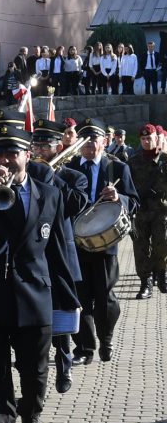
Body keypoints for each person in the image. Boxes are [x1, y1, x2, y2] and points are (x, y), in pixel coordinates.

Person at [0, 124, 78, 423]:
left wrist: (69, 296)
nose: (6, 160)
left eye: (13, 153)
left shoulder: (49, 192)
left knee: (35, 370)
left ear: (26, 156)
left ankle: (30, 414)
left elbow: (60, 246)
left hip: (35, 293)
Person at [63, 118, 139, 365]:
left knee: (104, 295)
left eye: (94, 139)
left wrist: (119, 198)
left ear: (103, 142)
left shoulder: (117, 169)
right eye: (84, 139)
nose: (89, 144)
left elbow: (134, 202)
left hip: (106, 244)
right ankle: (85, 347)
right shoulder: (69, 166)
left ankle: (106, 338)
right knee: (79, 297)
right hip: (74, 243)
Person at [28, 120, 89, 394]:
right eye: (35, 145)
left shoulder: (74, 176)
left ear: (57, 146)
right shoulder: (26, 172)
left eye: (43, 146)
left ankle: (64, 366)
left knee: (61, 314)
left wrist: (51, 178)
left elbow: (73, 206)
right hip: (33, 253)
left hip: (61, 255)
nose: (38, 150)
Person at [128, 125, 167, 298]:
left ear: (156, 138)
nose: (145, 141)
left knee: (162, 244)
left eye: (149, 138)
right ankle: (145, 283)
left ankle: (162, 274)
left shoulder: (165, 160)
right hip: (141, 211)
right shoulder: (133, 161)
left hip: (161, 210)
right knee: (141, 247)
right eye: (143, 139)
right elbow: (127, 187)